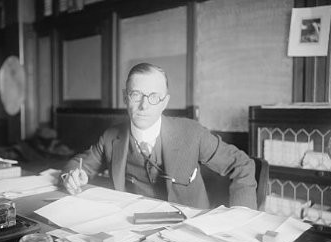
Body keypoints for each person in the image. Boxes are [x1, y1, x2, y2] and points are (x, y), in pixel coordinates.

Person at [61, 63, 257, 209]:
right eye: (136, 95)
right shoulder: (111, 137)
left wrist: (241, 217)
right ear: (125, 97)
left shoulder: (192, 133)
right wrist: (72, 175)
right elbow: (80, 164)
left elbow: (242, 164)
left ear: (165, 102)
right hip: (131, 233)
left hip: (186, 235)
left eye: (154, 97)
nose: (144, 106)